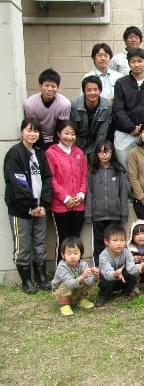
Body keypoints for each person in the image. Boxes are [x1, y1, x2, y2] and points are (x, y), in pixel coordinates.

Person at [4, 117, 52, 294]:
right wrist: (32, 205)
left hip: (40, 209)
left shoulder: (39, 153)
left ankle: (41, 278)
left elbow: (47, 178)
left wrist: (43, 204)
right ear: (21, 132)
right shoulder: (14, 154)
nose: (32, 134)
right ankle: (27, 281)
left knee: (40, 244)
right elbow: (17, 184)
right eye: (29, 130)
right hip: (22, 210)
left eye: (36, 131)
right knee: (23, 245)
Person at [112, 48, 144, 169]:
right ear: (128, 63)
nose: (136, 64)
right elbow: (118, 109)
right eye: (133, 61)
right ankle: (125, 189)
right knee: (124, 167)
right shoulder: (121, 83)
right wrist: (131, 128)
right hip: (125, 133)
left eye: (140, 61)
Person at [46, 120, 88, 263]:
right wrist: (65, 198)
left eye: (73, 134)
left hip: (78, 204)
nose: (69, 137)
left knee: (76, 238)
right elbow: (51, 179)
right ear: (58, 134)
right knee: (63, 239)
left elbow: (84, 176)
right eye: (66, 133)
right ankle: (61, 273)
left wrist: (81, 195)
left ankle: (76, 273)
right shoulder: (51, 153)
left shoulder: (79, 153)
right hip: (60, 205)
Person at [85, 140, 129, 266]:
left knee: (115, 243)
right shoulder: (92, 171)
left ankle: (116, 269)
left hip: (115, 214)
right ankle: (99, 270)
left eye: (107, 152)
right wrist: (89, 214)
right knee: (99, 242)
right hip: (98, 215)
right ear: (97, 154)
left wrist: (123, 214)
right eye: (101, 152)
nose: (104, 155)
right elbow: (89, 193)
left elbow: (123, 193)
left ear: (112, 153)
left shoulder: (118, 170)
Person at [96, 224, 144, 307]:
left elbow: (131, 268)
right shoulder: (103, 255)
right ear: (106, 241)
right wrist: (115, 274)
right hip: (109, 280)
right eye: (115, 240)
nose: (119, 243)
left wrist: (140, 267)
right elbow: (107, 273)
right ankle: (103, 296)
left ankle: (128, 292)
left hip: (122, 280)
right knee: (103, 276)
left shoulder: (127, 252)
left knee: (132, 272)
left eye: (122, 240)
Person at [23, 68, 71, 148]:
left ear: (58, 88)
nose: (49, 89)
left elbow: (62, 127)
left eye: (53, 86)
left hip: (55, 139)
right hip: (36, 139)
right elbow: (32, 125)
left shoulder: (65, 104)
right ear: (40, 86)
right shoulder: (29, 103)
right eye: (46, 85)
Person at [51, 237, 99, 316]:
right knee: (67, 282)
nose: (72, 256)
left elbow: (89, 282)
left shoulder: (83, 264)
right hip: (59, 291)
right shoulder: (62, 266)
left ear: (81, 254)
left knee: (86, 279)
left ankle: (81, 299)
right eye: (69, 253)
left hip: (74, 288)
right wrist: (82, 277)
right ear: (63, 255)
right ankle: (64, 303)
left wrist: (95, 277)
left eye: (75, 253)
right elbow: (69, 283)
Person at [70, 75, 112, 160]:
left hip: (96, 142)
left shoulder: (107, 106)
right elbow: (72, 130)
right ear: (84, 91)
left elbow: (101, 134)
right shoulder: (74, 104)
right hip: (78, 142)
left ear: (100, 90)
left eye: (95, 89)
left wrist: (96, 152)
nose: (92, 93)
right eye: (89, 90)